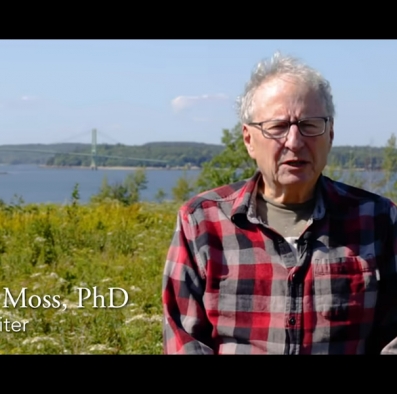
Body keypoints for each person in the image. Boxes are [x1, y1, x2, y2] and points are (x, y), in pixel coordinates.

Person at [162, 52, 397, 354]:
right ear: (248, 140)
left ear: (331, 134)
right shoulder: (202, 223)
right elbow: (185, 341)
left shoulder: (378, 219)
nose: (295, 141)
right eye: (278, 126)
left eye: (310, 125)